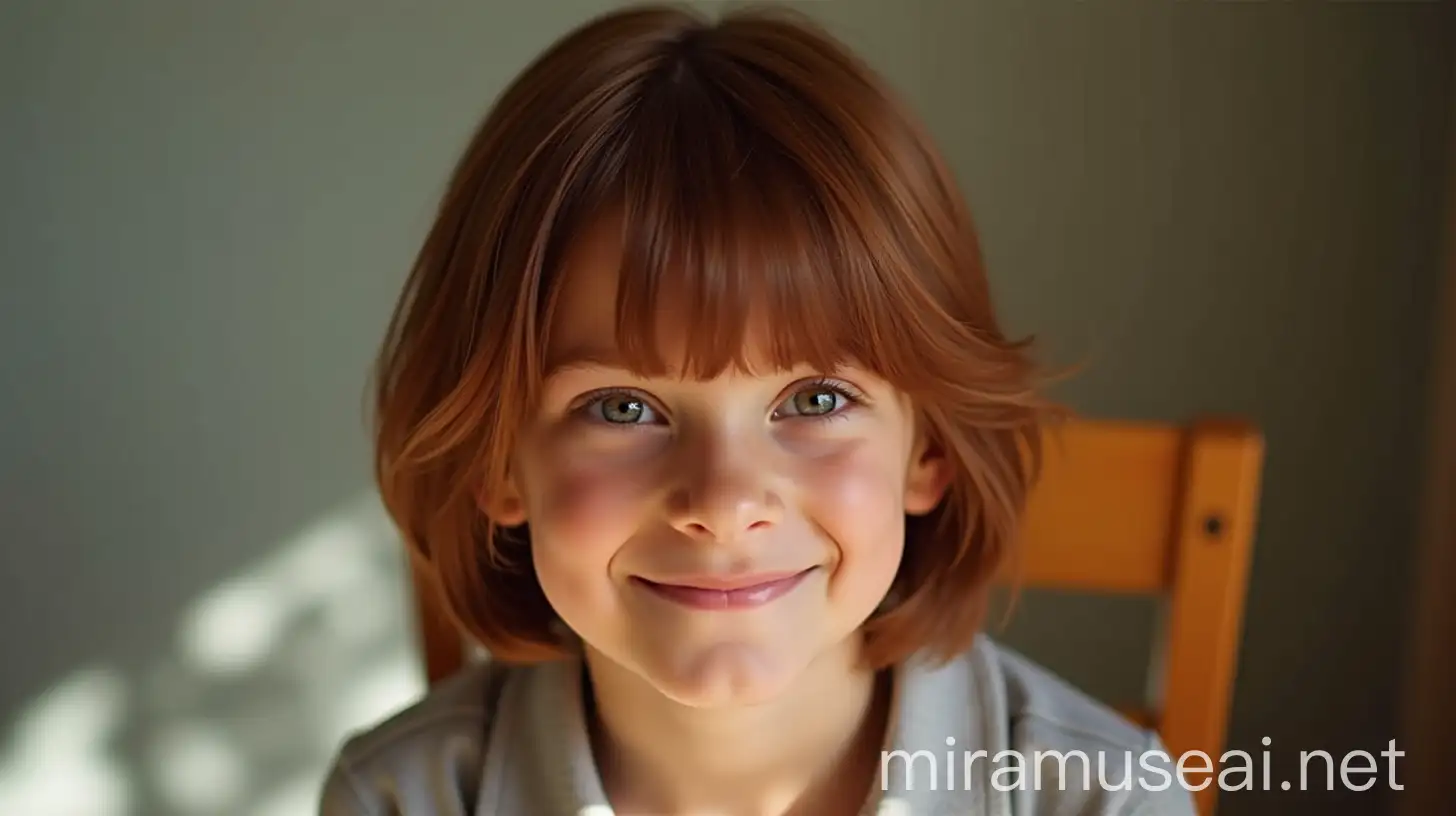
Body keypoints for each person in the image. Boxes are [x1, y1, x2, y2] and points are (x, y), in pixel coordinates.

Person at [319, 4, 1196, 815]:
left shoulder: (1108, 802)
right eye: (622, 407)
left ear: (929, 448)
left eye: (815, 399)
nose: (725, 500)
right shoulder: (399, 798)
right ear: (497, 460)